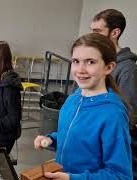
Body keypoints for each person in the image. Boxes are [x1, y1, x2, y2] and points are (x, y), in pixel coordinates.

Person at [34, 33, 132, 180]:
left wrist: (72, 178)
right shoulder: (72, 99)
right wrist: (52, 139)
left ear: (108, 67)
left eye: (90, 62)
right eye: (76, 61)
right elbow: (76, 136)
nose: (80, 69)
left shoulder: (113, 114)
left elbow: (120, 175)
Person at [90, 9, 137, 178]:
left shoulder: (128, 70)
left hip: (109, 150)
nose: (92, 36)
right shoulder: (97, 62)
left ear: (115, 33)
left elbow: (128, 115)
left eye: (97, 31)